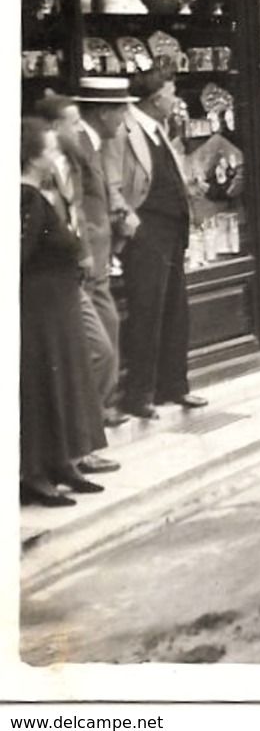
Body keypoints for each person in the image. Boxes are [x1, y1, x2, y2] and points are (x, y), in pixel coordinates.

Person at [105, 62, 205, 418]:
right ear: (152, 98)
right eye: (170, 92)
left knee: (175, 310)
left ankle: (174, 387)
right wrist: (130, 224)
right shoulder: (124, 130)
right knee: (147, 311)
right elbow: (111, 184)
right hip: (146, 233)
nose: (175, 98)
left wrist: (189, 190)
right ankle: (138, 396)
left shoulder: (159, 127)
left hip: (173, 231)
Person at [20, 118, 110, 508]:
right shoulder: (23, 198)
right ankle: (35, 474)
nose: (56, 155)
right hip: (39, 309)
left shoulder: (41, 192)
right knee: (42, 387)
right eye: (50, 149)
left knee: (65, 384)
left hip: (60, 303)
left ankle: (61, 463)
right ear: (33, 155)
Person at [34, 93, 123, 475]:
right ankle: (74, 445)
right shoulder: (37, 178)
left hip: (74, 271)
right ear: (53, 130)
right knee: (92, 351)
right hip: (58, 281)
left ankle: (81, 440)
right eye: (71, 123)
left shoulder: (67, 162)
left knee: (98, 348)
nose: (77, 129)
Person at [71, 78, 142, 431]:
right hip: (87, 263)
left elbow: (97, 196)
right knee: (96, 343)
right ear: (102, 112)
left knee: (109, 327)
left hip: (98, 260)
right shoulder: (81, 144)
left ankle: (101, 407)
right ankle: (90, 416)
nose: (124, 117)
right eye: (120, 109)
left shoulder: (93, 143)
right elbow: (75, 207)